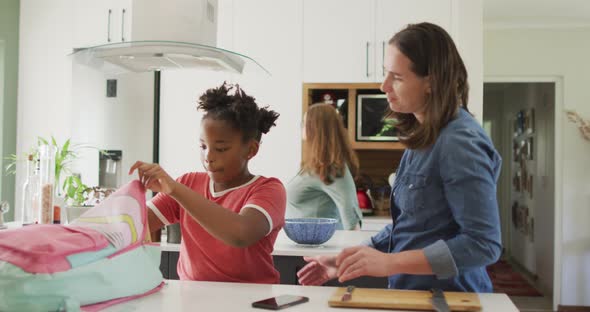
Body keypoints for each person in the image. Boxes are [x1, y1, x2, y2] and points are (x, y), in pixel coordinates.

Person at [297, 22, 502, 292]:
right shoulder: (425, 135)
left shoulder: (459, 142)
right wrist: (350, 258)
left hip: (449, 299)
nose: (383, 86)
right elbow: (410, 226)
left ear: (431, 82)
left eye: (397, 77)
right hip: (417, 295)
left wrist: (391, 263)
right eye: (385, 73)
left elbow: (483, 245)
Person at [129, 82, 285, 284]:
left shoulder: (268, 189)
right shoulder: (188, 183)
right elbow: (135, 224)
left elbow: (241, 234)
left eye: (220, 149)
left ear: (251, 150)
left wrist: (176, 190)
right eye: (203, 146)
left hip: (252, 301)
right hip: (192, 298)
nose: (208, 157)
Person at [286, 103, 362, 230]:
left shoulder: (331, 169)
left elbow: (352, 221)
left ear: (316, 127)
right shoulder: (314, 164)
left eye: (305, 122)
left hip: (319, 246)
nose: (302, 127)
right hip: (305, 245)